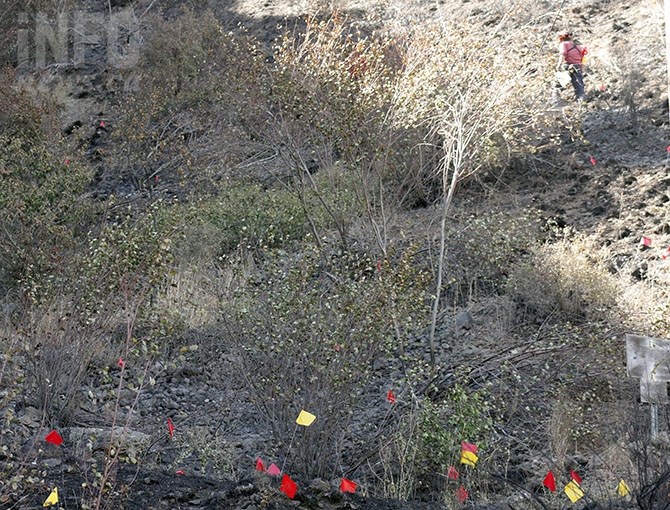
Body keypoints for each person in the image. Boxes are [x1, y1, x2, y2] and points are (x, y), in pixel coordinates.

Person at [556, 31, 587, 101]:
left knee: (559, 82)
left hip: (568, 65)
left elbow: (563, 54)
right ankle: (581, 98)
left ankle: (555, 99)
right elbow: (583, 57)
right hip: (578, 66)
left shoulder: (563, 44)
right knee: (578, 83)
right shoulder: (577, 46)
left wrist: (559, 65)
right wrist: (582, 66)